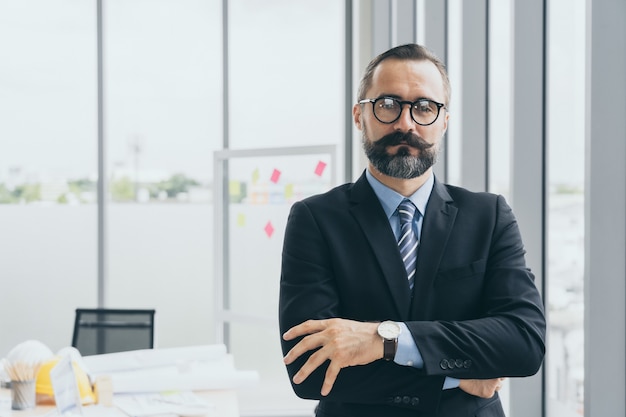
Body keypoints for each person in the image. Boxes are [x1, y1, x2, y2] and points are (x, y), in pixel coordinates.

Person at [278, 43, 545, 417]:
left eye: (424, 107)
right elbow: (309, 371)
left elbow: (523, 344)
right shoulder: (315, 219)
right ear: (359, 116)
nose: (406, 124)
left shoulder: (488, 216)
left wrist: (384, 340)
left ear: (444, 121)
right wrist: (458, 374)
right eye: (388, 104)